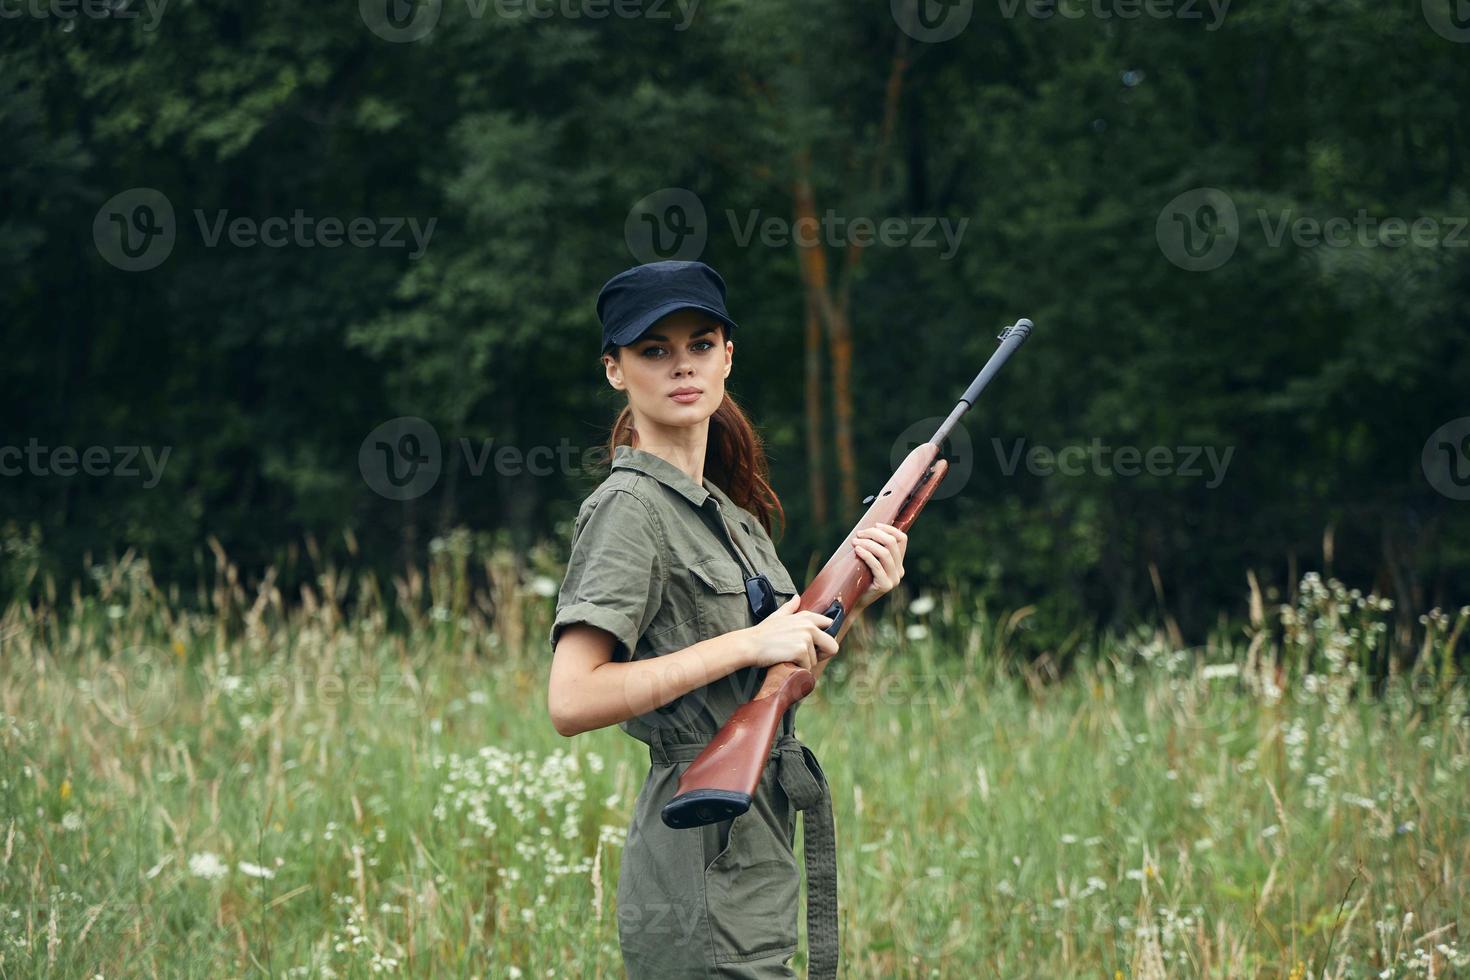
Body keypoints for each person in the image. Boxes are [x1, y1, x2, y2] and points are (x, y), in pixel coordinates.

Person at [547, 259, 908, 979]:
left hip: (755, 842)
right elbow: (572, 698)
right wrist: (748, 640)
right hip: (695, 852)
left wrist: (851, 600)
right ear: (615, 370)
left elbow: (769, 682)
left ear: (728, 357)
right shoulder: (630, 510)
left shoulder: (733, 518)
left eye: (701, 344)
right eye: (655, 351)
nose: (682, 366)